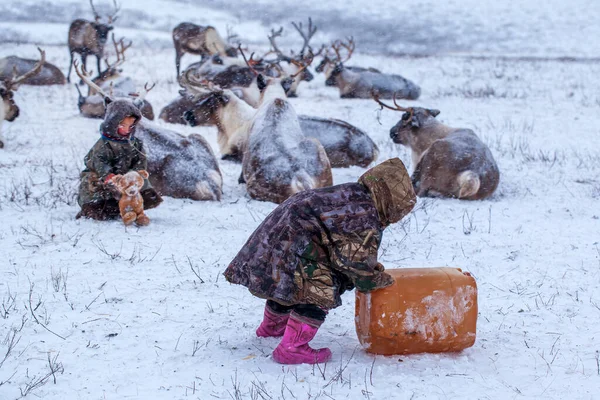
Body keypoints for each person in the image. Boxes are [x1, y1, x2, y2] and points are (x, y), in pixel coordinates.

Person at [224, 158, 417, 364]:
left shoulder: (352, 194)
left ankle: (272, 327)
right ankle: (292, 348)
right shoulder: (364, 215)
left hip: (274, 239)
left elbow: (338, 240)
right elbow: (354, 261)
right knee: (317, 288)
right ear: (392, 202)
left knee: (286, 282)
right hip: (296, 246)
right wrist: (374, 279)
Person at [76, 100, 162, 220]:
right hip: (106, 177)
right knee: (93, 184)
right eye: (123, 125)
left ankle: (135, 204)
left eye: (130, 126)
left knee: (139, 184)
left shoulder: (135, 144)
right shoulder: (104, 144)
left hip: (126, 177)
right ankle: (98, 206)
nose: (127, 130)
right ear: (112, 123)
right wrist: (108, 174)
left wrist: (134, 173)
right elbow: (98, 161)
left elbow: (140, 160)